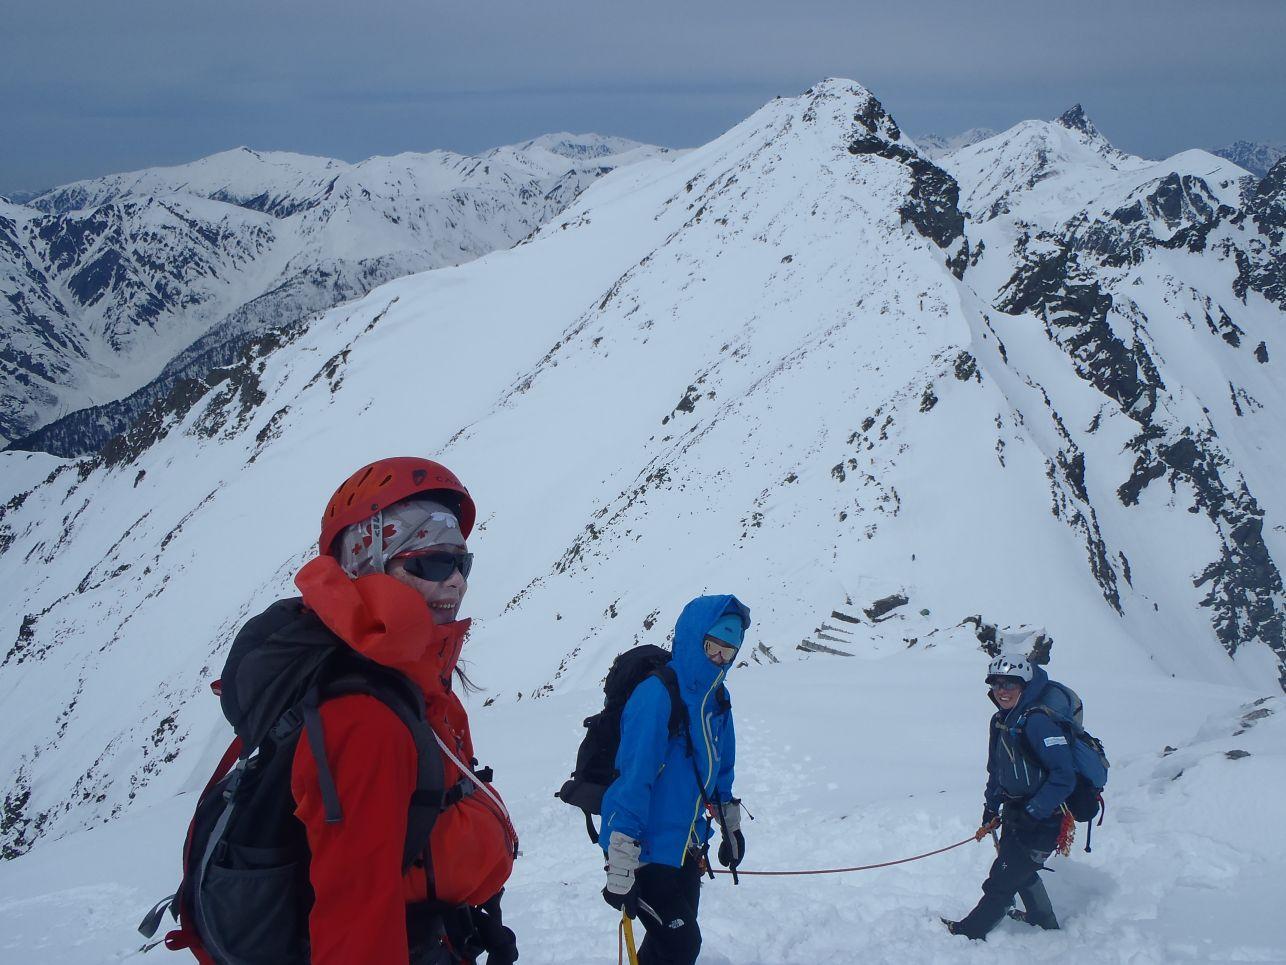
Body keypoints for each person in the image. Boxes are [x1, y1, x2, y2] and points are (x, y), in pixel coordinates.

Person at [289, 457, 520, 963]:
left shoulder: (417, 682)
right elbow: (355, 926)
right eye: (433, 563)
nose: (457, 583)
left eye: (462, 564)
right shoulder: (364, 719)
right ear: (368, 563)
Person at [599, 595, 751, 965]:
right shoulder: (656, 694)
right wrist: (621, 857)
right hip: (643, 852)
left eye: (727, 652)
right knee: (682, 943)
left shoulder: (718, 699)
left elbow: (720, 770)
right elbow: (633, 780)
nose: (718, 659)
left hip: (686, 847)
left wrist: (730, 828)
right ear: (692, 639)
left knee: (673, 945)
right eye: (712, 646)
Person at [944, 652, 1075, 940]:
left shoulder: (1038, 722)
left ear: (1025, 686)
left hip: (1045, 818)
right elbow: (997, 770)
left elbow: (1065, 775)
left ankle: (969, 932)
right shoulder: (1001, 721)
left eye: (1010, 684)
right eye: (996, 684)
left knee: (1001, 880)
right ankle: (1044, 922)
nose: (1002, 691)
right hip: (1016, 813)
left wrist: (1034, 810)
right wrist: (991, 808)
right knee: (1019, 869)